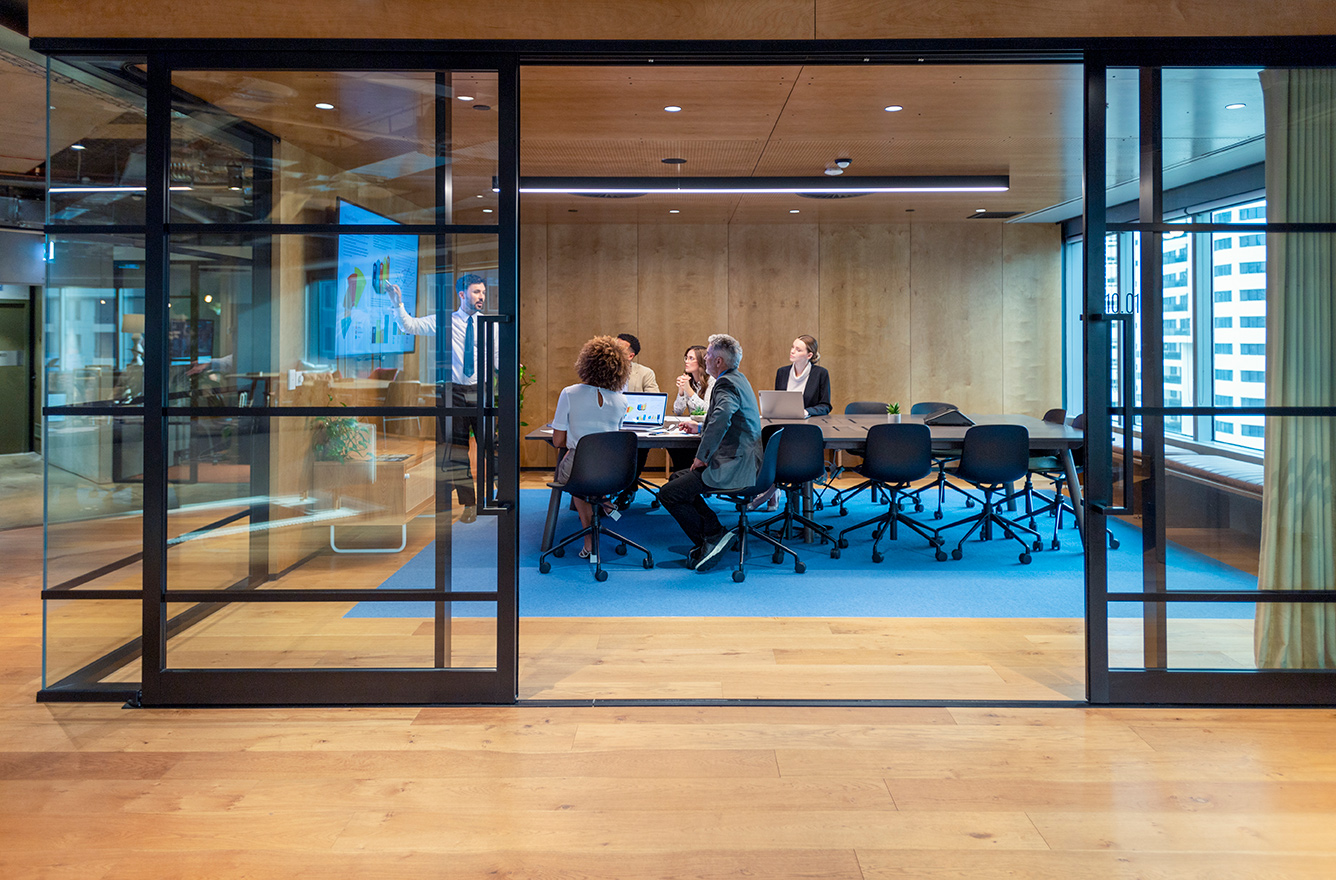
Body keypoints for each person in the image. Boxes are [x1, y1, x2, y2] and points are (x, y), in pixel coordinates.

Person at [387, 273, 491, 523]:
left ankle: (497, 499)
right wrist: (397, 303)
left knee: (491, 445)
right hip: (453, 392)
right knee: (458, 451)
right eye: (477, 292)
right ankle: (469, 505)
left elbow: (496, 356)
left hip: (481, 390)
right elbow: (409, 326)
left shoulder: (489, 323)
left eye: (483, 293)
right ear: (462, 294)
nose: (481, 297)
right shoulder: (445, 321)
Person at [657, 332, 762, 571]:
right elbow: (726, 418)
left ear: (719, 362)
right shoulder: (738, 378)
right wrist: (701, 426)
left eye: (709, 355)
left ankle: (711, 538)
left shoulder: (725, 383)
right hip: (744, 460)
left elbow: (721, 419)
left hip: (735, 466)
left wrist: (701, 456)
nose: (705, 359)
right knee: (677, 479)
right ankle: (717, 533)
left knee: (668, 494)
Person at [550, 336, 632, 558]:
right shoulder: (621, 400)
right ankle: (604, 501)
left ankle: (589, 540)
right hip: (614, 471)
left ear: (585, 363)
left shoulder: (569, 393)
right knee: (589, 475)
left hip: (581, 470)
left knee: (577, 476)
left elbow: (558, 441)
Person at [612, 332, 660, 508]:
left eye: (619, 348)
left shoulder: (645, 373)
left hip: (635, 423)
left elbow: (654, 400)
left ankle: (628, 489)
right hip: (608, 423)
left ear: (630, 355)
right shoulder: (602, 371)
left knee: (638, 444)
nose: (613, 350)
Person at [669, 344, 711, 472]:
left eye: (691, 358)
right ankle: (683, 477)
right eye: (686, 358)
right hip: (692, 430)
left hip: (706, 430)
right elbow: (678, 411)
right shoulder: (690, 381)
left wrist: (688, 390)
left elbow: (707, 410)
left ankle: (687, 478)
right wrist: (681, 391)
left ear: (702, 361)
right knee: (673, 447)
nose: (687, 362)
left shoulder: (712, 381)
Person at [774, 334, 832, 417]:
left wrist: (806, 412)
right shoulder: (782, 372)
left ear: (809, 355)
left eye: (798, 350)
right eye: (792, 347)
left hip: (809, 423)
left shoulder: (821, 373)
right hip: (784, 420)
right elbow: (778, 402)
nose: (792, 351)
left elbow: (825, 406)